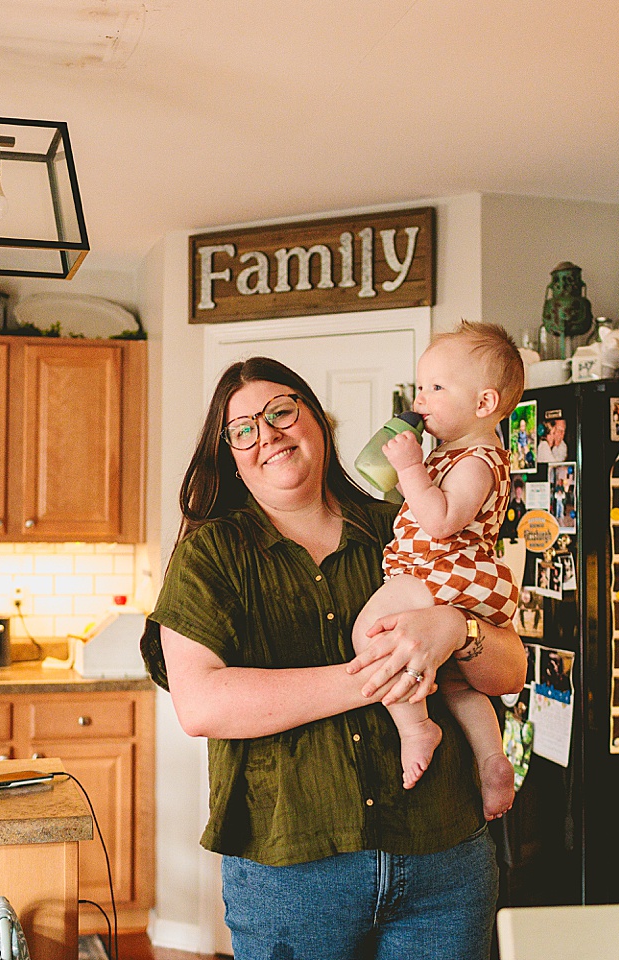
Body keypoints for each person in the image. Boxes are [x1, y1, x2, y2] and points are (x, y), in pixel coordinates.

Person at [144, 356, 527, 960]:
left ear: (318, 421)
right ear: (231, 454)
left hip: (444, 857)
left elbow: (511, 672)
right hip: (294, 870)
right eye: (243, 429)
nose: (266, 434)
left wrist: (455, 628)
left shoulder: (405, 530)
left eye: (281, 412)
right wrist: (384, 670)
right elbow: (202, 705)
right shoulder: (210, 557)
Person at [354, 321, 524, 819]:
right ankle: (492, 760)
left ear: (485, 404)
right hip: (450, 577)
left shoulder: (479, 460)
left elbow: (443, 521)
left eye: (436, 388)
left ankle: (416, 728)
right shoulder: (449, 453)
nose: (420, 398)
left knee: (370, 634)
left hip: (440, 571)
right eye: (419, 385)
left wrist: (409, 470)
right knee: (457, 683)